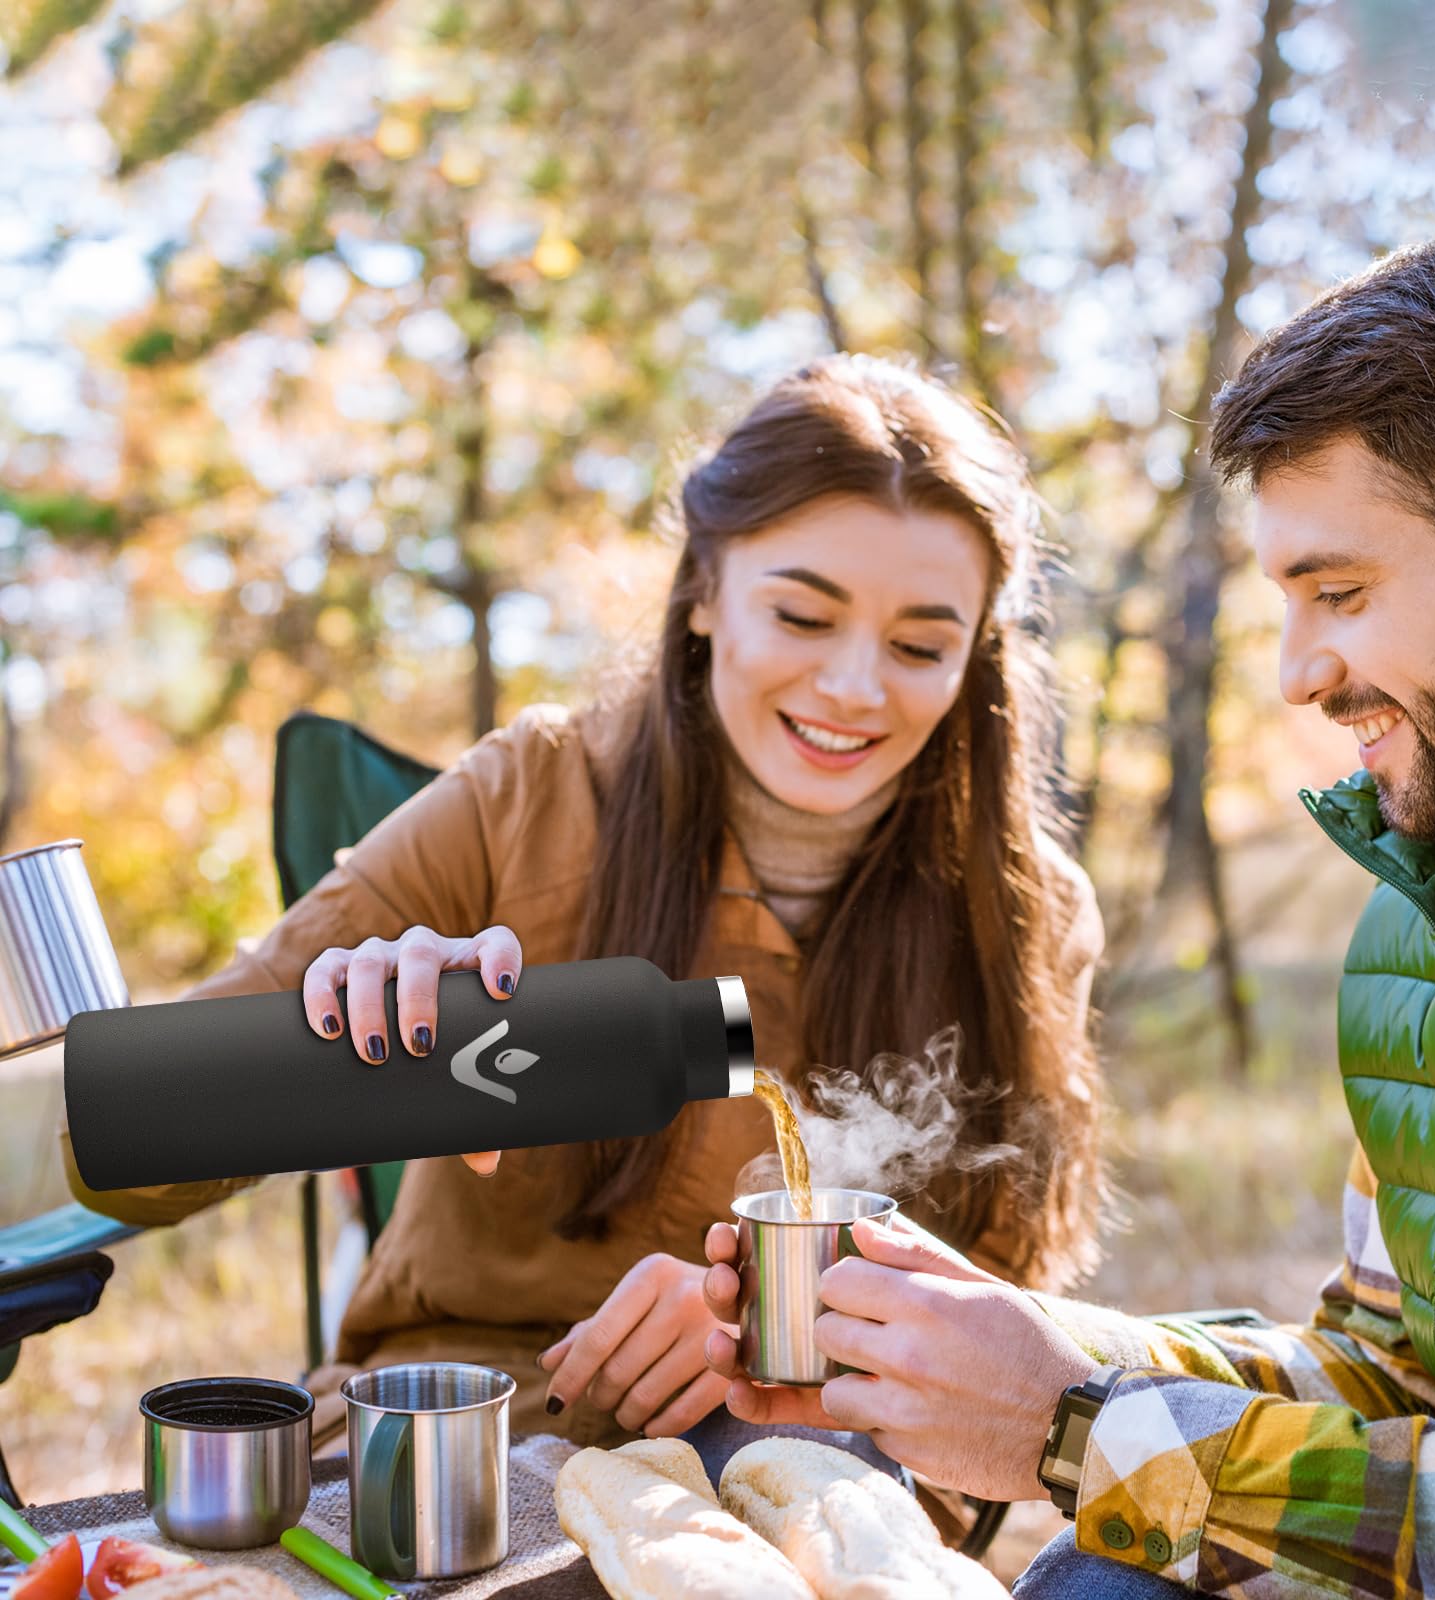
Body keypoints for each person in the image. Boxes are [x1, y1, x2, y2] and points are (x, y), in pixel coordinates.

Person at [703, 224, 1435, 1597]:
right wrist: (1020, 1352)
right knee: (1103, 1572)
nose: (1301, 673)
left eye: (1342, 594)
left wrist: (1081, 1431)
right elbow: (1383, 1378)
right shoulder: (1432, 924)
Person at [64, 353, 1105, 1470]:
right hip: (456, 1442)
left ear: (974, 660)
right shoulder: (526, 798)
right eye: (803, 615)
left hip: (812, 1464)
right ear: (704, 593)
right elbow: (127, 1157)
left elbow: (1005, 1336)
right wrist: (336, 1044)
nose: (855, 686)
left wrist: (767, 1333)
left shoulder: (1026, 913)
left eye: (918, 646)